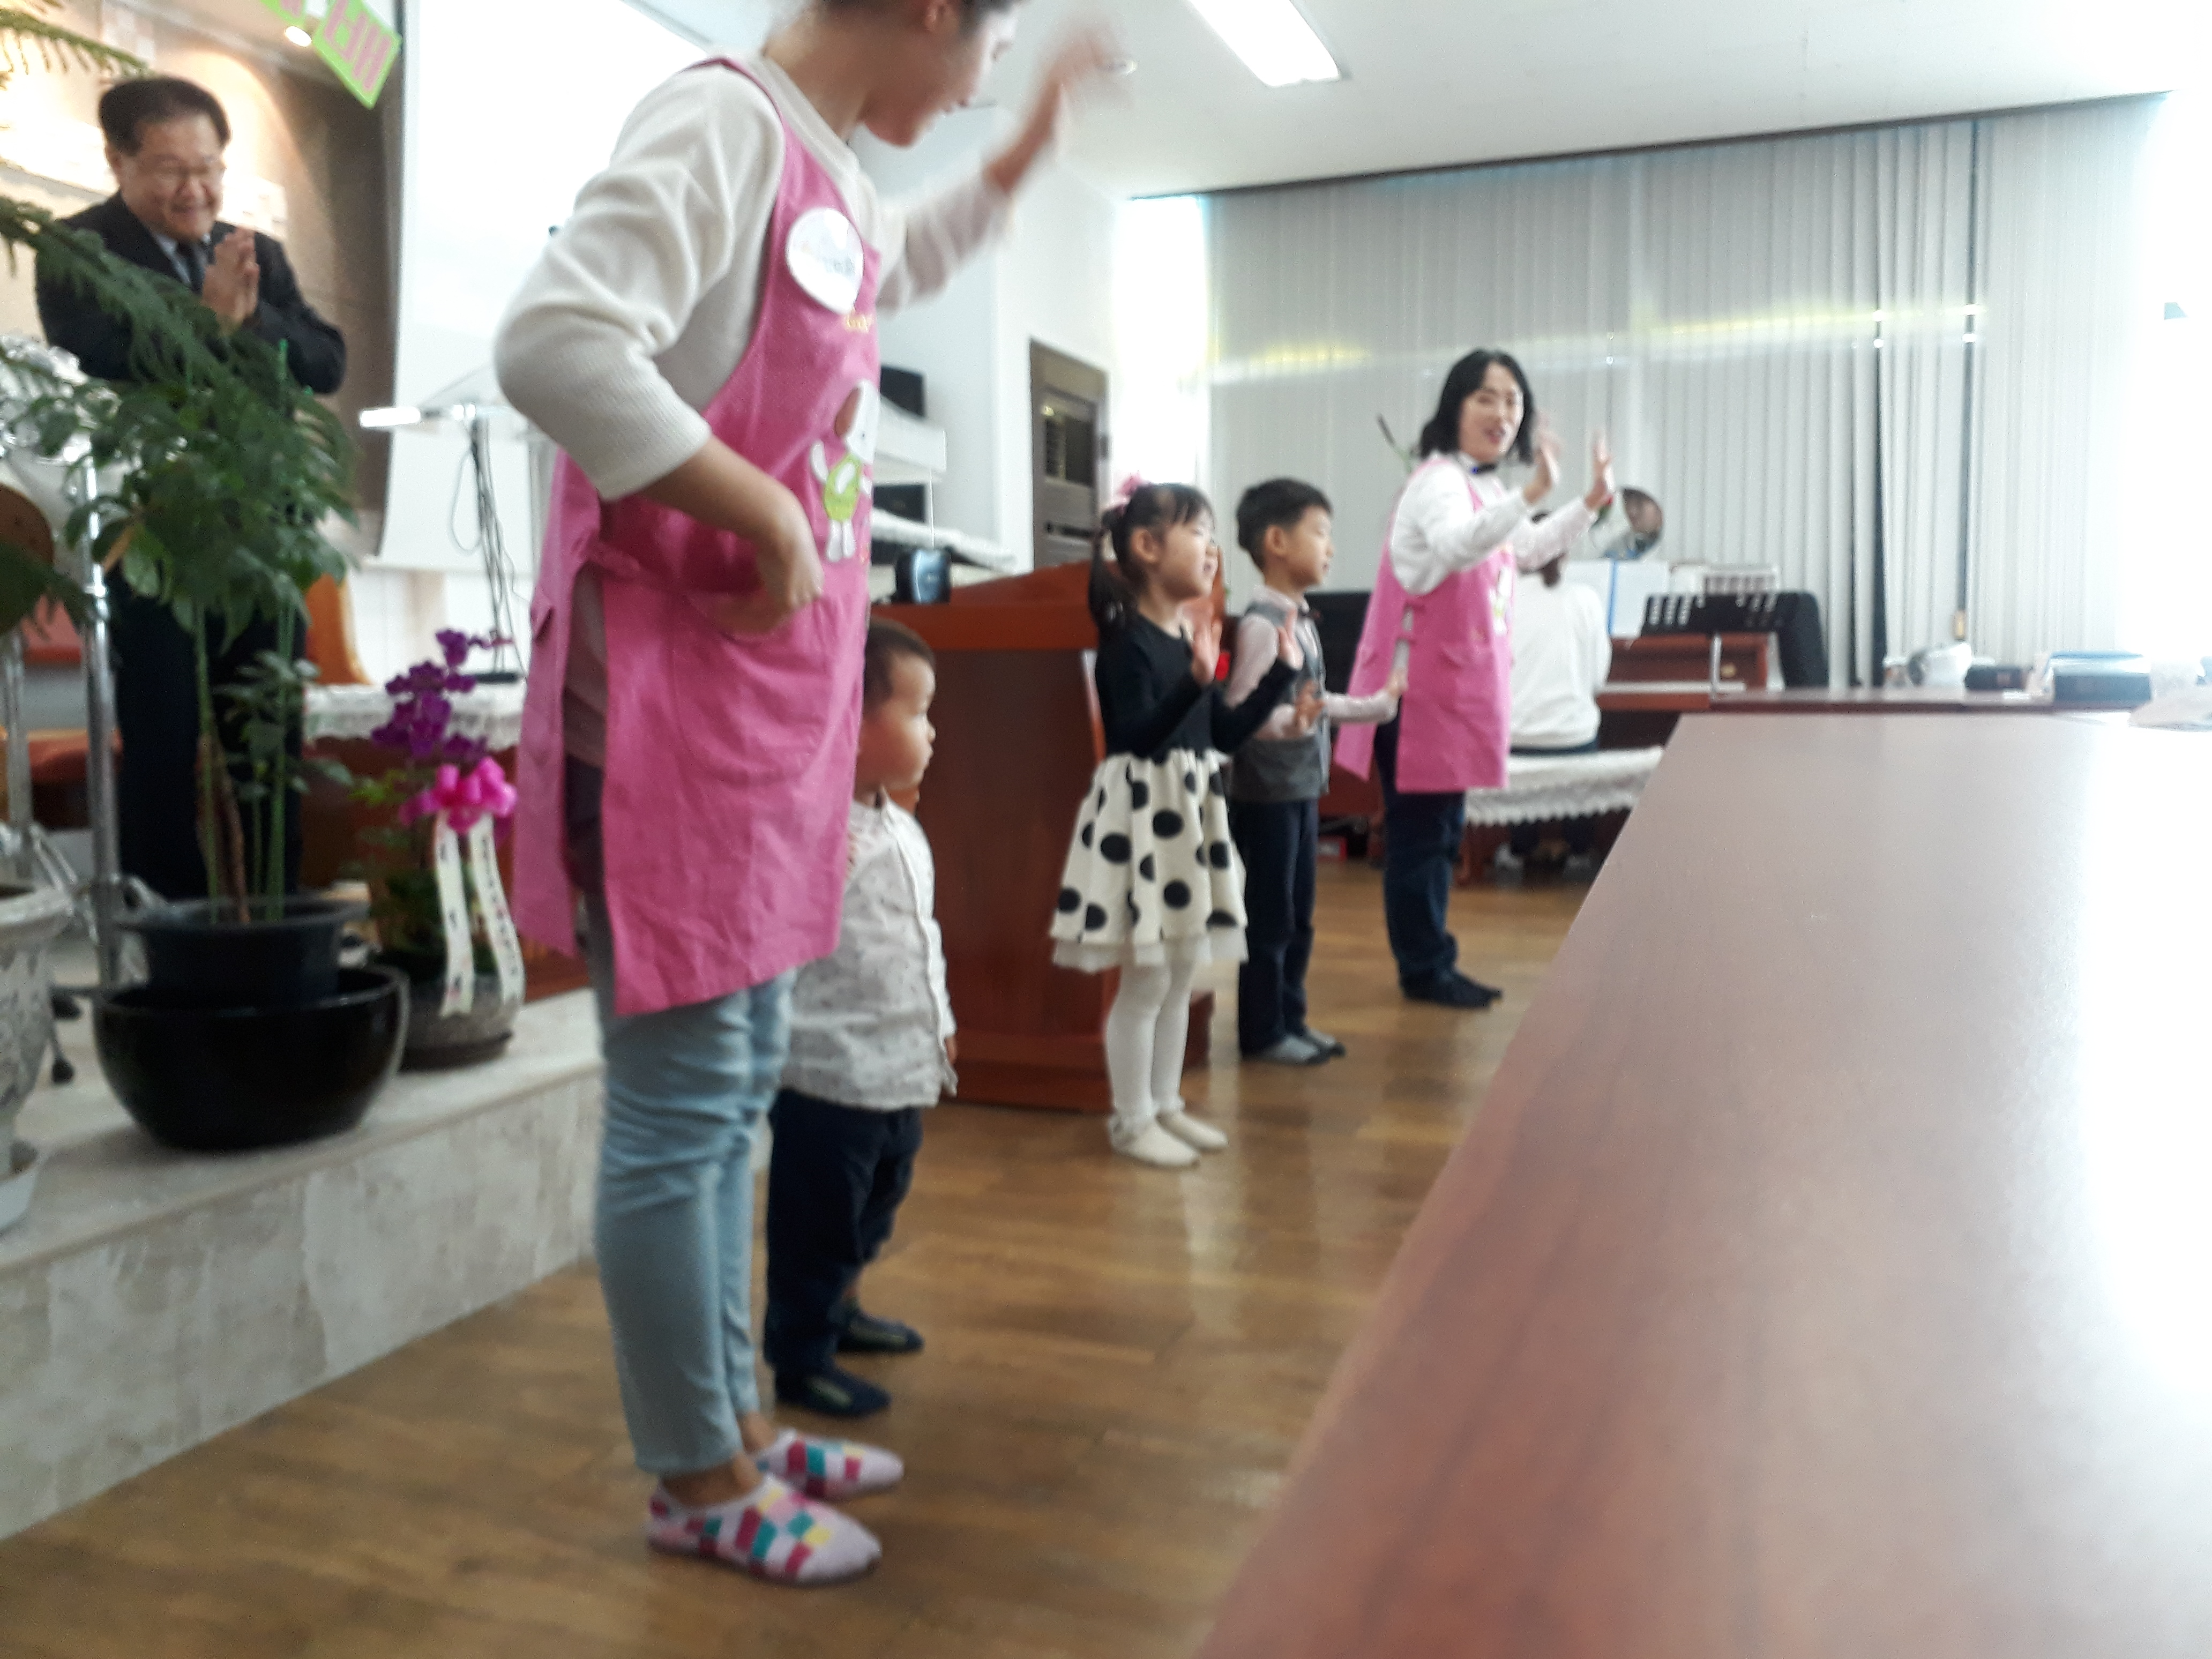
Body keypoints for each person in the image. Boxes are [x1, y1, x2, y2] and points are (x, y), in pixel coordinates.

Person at [496, 0, 1113, 1587]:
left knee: (736, 1086)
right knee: (685, 1106)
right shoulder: (722, 122)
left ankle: (732, 1426)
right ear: (930, 10)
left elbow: (896, 257)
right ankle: (693, 1475)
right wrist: (764, 515)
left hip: (753, 718)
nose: (975, 89)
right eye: (986, 59)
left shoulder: (819, 164)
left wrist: (1025, 152)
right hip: (664, 721)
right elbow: (554, 343)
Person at [35, 75, 346, 901]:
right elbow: (95, 359)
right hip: (155, 529)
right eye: (173, 170)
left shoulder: (254, 254)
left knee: (267, 728)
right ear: (118, 161)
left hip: (261, 530)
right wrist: (206, 325)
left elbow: (325, 362)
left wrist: (252, 321)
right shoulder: (77, 250)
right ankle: (169, 925)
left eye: (209, 169)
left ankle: (274, 912)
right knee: (164, 736)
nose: (196, 190)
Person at [1335, 349, 1615, 1008]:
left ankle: (1432, 959)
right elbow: (1458, 545)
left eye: (1513, 400)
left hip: (1451, 692)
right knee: (1422, 837)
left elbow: (1527, 549)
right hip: (1415, 694)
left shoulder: (1483, 486)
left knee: (1439, 832)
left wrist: (1589, 502)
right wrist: (1533, 493)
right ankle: (1424, 968)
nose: (1502, 412)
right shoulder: (1437, 481)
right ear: (1455, 407)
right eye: (1486, 397)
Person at [1049, 483, 1299, 1168]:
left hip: (1188, 811)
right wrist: (1194, 679)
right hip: (1144, 818)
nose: (1213, 549)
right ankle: (1131, 1120)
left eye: (1214, 537)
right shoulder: (1127, 641)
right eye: (1199, 533)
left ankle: (1164, 1104)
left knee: (1182, 972)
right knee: (1148, 979)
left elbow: (1220, 732)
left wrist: (1279, 679)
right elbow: (1134, 738)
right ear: (1147, 547)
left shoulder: (1187, 635)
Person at [764, 619, 952, 1421]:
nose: (933, 730)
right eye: (918, 712)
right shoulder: (816, 834)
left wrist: (940, 1018)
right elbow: (774, 937)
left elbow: (922, 934)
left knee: (879, 1198)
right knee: (818, 1223)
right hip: (827, 1074)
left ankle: (842, 1309)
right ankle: (800, 1355)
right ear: (852, 719)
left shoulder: (901, 826)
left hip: (897, 1066)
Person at [1223, 479, 1401, 1065]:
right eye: (1320, 533)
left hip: (1298, 790)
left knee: (1299, 915)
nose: (1330, 547)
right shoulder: (1261, 625)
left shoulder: (1301, 620)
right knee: (1271, 918)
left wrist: (1376, 706)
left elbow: (1314, 702)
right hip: (1267, 795)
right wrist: (1294, 723)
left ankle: (1290, 1019)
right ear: (1277, 542)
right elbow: (1244, 715)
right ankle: (1262, 1032)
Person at [1504, 548, 1613, 868]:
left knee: (1517, 735)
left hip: (1517, 738)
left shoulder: (1502, 600)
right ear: (1564, 555)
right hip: (1573, 741)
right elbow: (1598, 680)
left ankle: (1521, 848)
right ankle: (1580, 849)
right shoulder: (1586, 599)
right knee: (1581, 729)